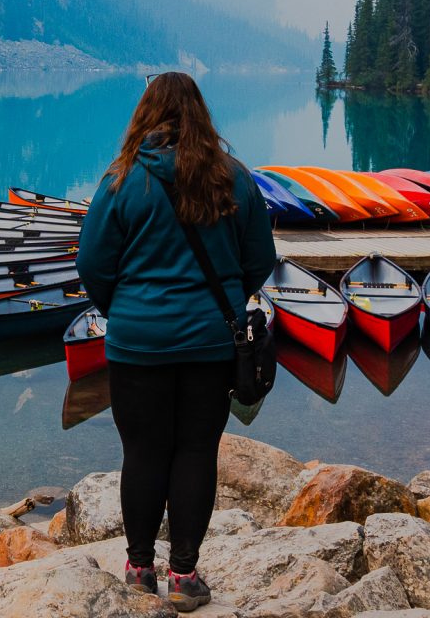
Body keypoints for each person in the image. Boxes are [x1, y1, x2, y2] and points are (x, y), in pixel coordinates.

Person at [76, 72, 277, 612]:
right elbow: (260, 259)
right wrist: (225, 304)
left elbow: (92, 264)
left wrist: (127, 310)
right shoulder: (233, 178)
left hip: (137, 345)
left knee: (141, 451)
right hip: (212, 346)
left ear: (146, 113)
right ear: (199, 114)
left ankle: (140, 570)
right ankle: (185, 577)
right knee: (194, 452)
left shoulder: (120, 181)